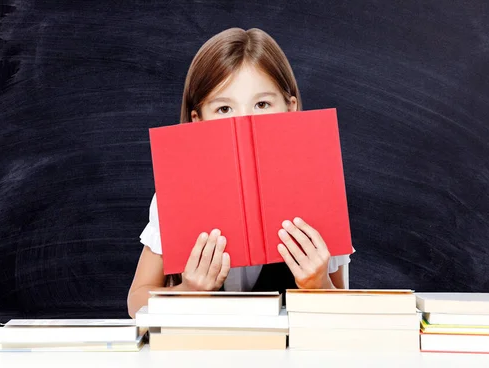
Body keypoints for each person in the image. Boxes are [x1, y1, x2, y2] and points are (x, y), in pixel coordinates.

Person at [127, 28, 352, 318]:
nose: (244, 120)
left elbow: (346, 307)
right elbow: (137, 300)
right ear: (198, 120)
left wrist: (318, 283)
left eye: (262, 104)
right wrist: (188, 291)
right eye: (223, 108)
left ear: (290, 108)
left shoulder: (321, 193)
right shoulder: (174, 199)